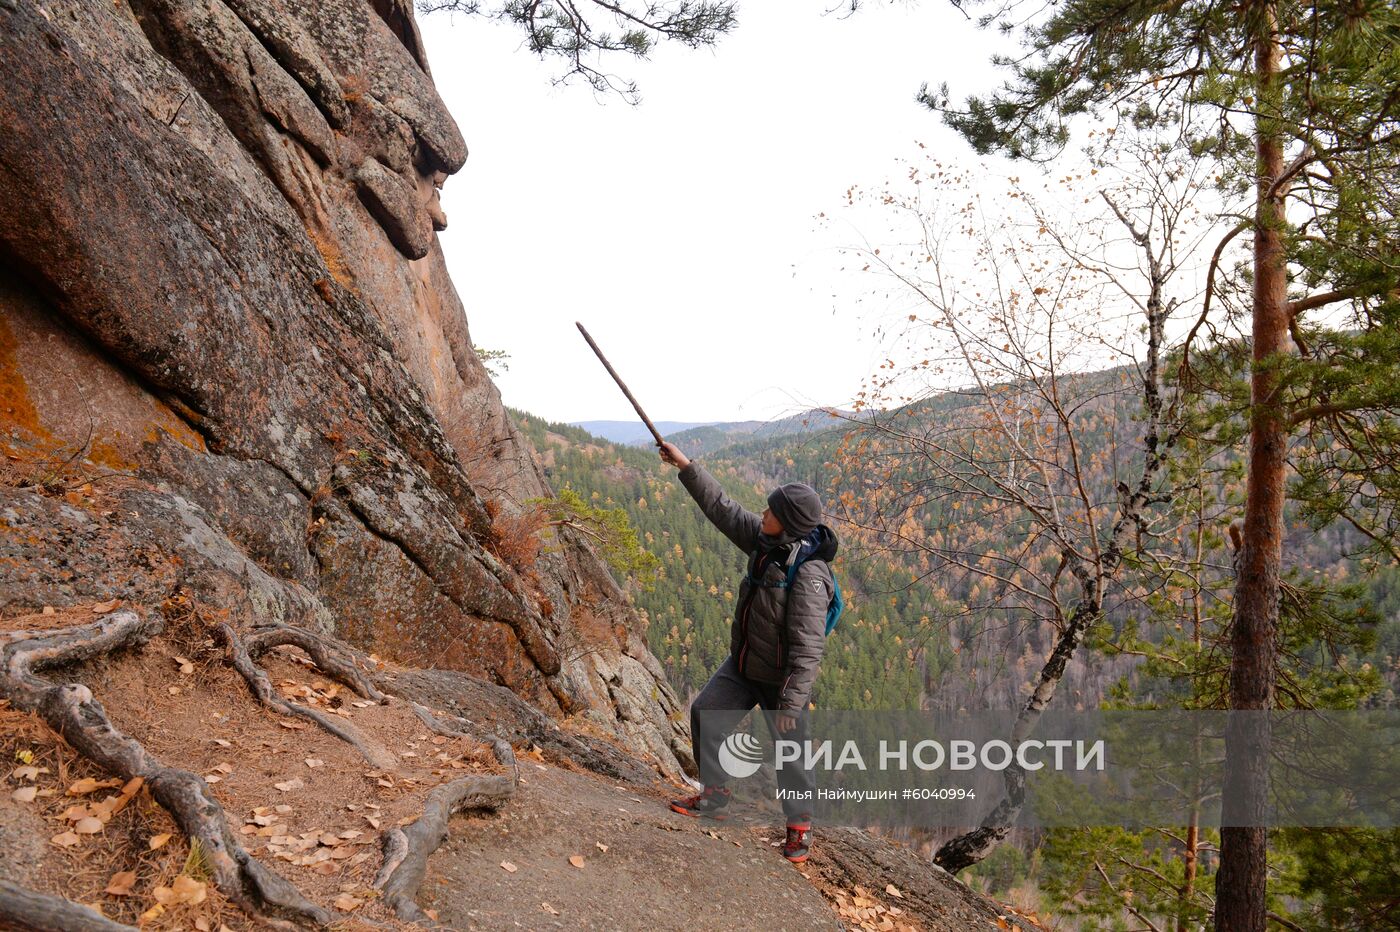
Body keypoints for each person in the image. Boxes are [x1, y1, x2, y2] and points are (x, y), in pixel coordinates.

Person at [657, 440, 837, 864]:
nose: (763, 514)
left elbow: (809, 648)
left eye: (771, 511)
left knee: (791, 751)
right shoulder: (764, 543)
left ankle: (799, 829)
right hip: (745, 665)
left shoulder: (809, 575)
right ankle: (716, 796)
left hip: (782, 681)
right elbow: (722, 508)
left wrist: (792, 701)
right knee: (705, 713)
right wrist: (685, 465)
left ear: (789, 524)